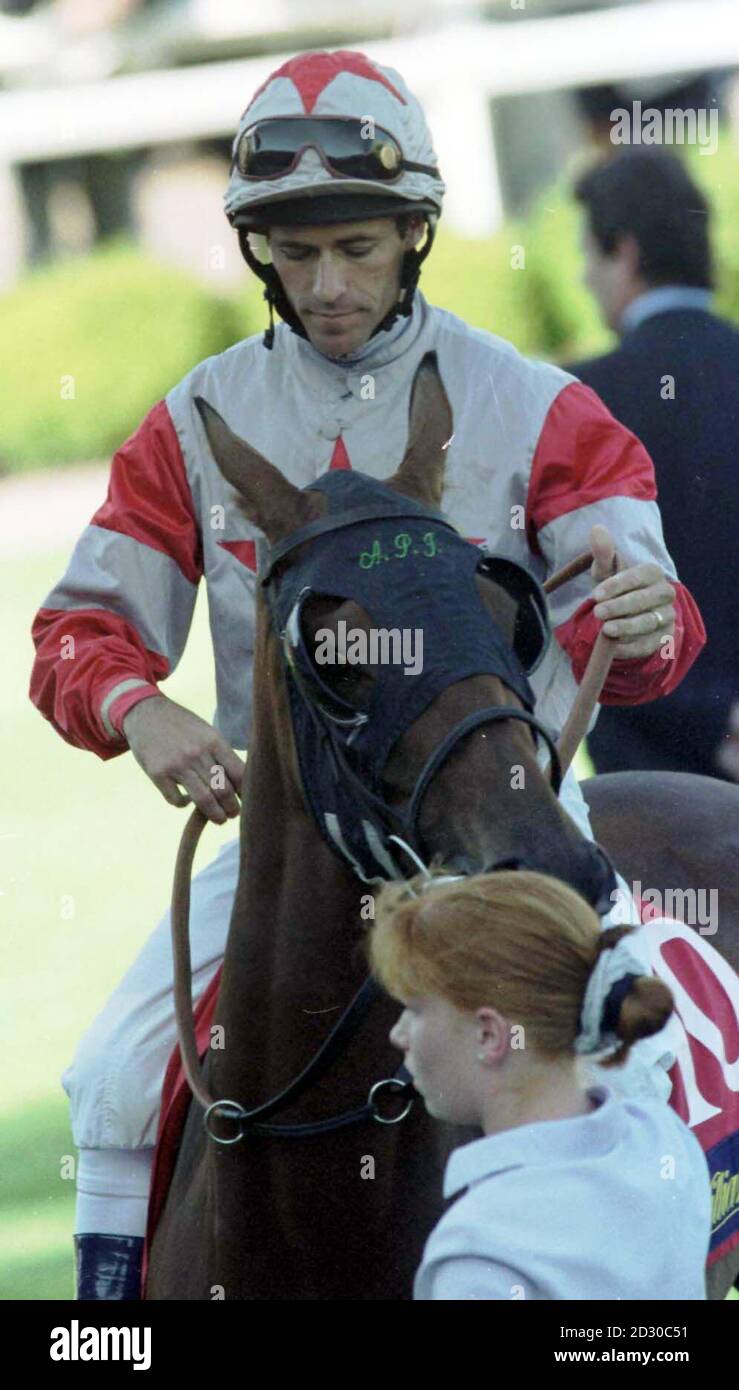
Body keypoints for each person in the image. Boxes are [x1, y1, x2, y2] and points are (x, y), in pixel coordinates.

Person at [29, 50, 706, 1300]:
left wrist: (640, 607)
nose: (327, 284)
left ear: (414, 234)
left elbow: (657, 636)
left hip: (506, 825)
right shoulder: (192, 422)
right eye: (295, 255)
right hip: (294, 835)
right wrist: (143, 709)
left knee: (637, 1057)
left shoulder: (542, 408)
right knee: (114, 1076)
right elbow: (76, 632)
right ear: (257, 257)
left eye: (355, 246)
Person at [368, 869, 712, 1300]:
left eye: (414, 1010)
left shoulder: (482, 1257)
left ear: (489, 1036)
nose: (398, 1035)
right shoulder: (666, 1138)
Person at [565, 149, 739, 780]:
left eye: (590, 255)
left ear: (626, 253)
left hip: (651, 784)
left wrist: (709, 719)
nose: (585, 277)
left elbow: (575, 609)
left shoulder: (580, 403)